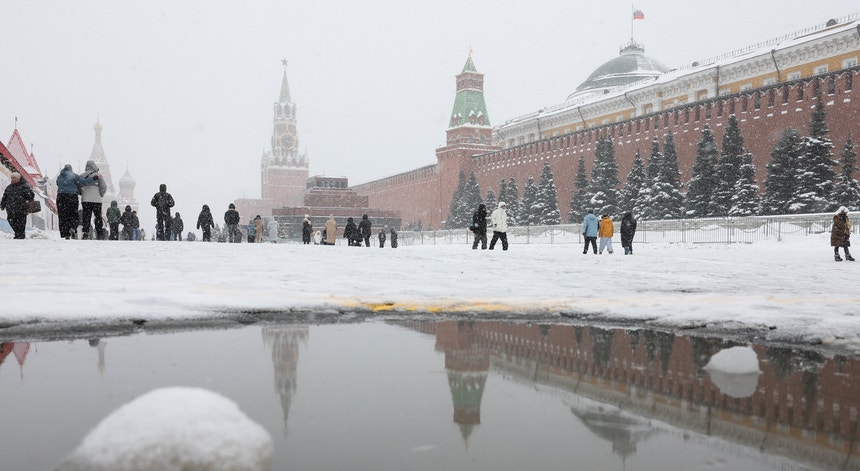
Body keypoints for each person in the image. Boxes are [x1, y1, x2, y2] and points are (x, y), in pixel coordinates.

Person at [55, 164, 87, 239]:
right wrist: (94, 178)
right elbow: (83, 182)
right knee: (73, 214)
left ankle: (65, 233)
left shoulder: (59, 177)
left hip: (61, 197)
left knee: (63, 216)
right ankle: (72, 227)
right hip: (72, 197)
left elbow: (58, 184)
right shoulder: (74, 176)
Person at [0, 172, 34, 239]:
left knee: (21, 223)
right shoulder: (9, 187)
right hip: (10, 209)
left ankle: (20, 236)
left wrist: (27, 194)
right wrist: (2, 205)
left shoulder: (24, 186)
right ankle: (18, 233)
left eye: (14, 178)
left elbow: (31, 196)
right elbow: (5, 197)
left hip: (21, 209)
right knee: (10, 220)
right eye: (11, 178)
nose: (12, 179)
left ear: (18, 179)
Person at [79, 160, 107, 240]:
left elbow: (79, 186)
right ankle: (99, 233)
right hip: (97, 200)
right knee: (98, 217)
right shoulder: (98, 176)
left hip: (86, 200)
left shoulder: (82, 176)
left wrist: (82, 193)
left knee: (86, 216)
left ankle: (85, 233)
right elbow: (103, 187)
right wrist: (101, 194)